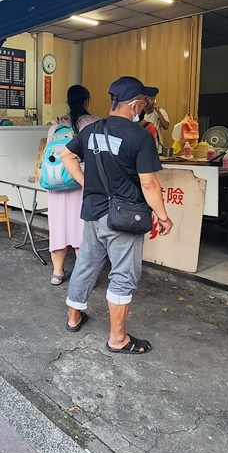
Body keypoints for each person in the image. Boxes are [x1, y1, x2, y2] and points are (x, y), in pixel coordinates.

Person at [60, 76, 173, 354]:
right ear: (134, 105)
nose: (145, 107)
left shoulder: (92, 129)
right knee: (123, 275)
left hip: (94, 213)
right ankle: (118, 339)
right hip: (124, 217)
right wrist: (163, 216)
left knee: (86, 264)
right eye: (144, 103)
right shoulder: (140, 137)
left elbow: (66, 155)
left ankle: (74, 318)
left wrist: (86, 183)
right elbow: (148, 183)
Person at [46, 85, 99, 286]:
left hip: (57, 183)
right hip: (81, 181)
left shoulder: (56, 126)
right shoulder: (93, 123)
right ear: (87, 101)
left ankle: (57, 273)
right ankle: (84, 276)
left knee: (58, 226)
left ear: (68, 102)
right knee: (80, 227)